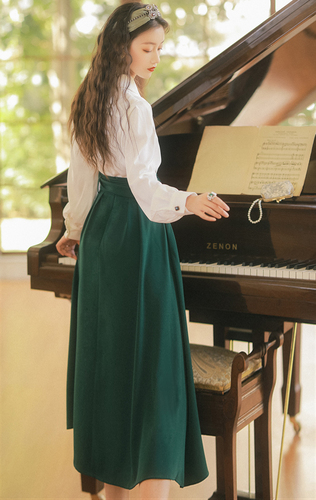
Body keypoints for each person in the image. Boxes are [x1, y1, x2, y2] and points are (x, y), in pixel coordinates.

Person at [56, 3, 230, 499]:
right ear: (122, 48)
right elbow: (146, 189)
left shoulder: (90, 96)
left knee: (113, 361)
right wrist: (190, 201)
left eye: (159, 48)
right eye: (147, 48)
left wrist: (74, 227)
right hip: (136, 233)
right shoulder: (133, 105)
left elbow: (83, 177)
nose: (155, 57)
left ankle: (114, 488)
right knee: (154, 366)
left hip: (103, 235)